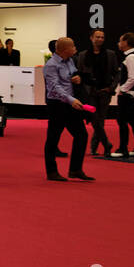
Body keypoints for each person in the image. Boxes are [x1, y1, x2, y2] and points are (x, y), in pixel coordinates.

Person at [43, 37, 94, 181]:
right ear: (65, 50)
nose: (75, 49)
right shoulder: (51, 65)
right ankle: (51, 172)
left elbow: (74, 74)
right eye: (73, 46)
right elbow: (54, 87)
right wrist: (71, 100)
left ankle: (75, 170)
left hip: (71, 103)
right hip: (57, 105)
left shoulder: (70, 60)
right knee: (53, 138)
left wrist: (77, 78)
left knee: (81, 135)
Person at [76, 29, 119, 156]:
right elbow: (79, 73)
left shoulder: (110, 54)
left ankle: (94, 148)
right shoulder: (83, 55)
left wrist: (111, 88)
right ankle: (106, 144)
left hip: (105, 91)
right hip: (90, 92)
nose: (100, 39)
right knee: (94, 119)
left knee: (100, 121)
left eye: (102, 37)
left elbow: (116, 73)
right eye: (97, 37)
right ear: (91, 38)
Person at [111, 32, 134, 158]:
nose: (119, 43)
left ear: (126, 42)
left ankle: (122, 149)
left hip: (129, 96)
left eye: (120, 41)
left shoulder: (131, 57)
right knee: (133, 122)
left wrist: (122, 90)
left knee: (123, 122)